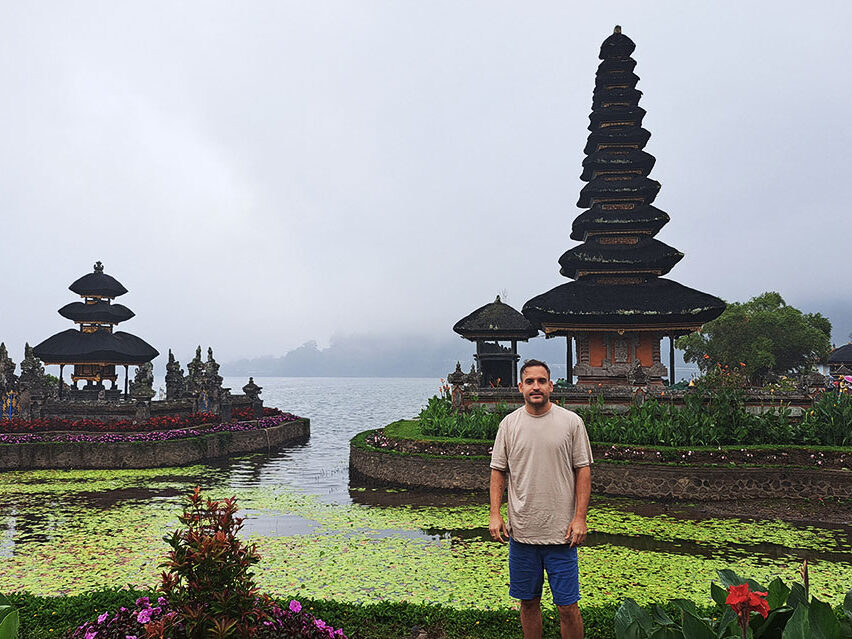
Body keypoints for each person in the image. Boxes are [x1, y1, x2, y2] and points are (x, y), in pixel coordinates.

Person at [489, 359, 593, 639]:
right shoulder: (509, 425)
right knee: (528, 602)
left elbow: (582, 471)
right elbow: (498, 471)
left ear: (551, 386)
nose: (536, 386)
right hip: (522, 533)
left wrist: (580, 518)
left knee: (568, 607)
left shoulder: (571, 423)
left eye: (542, 381)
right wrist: (495, 514)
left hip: (562, 534)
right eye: (530, 382)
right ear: (521, 387)